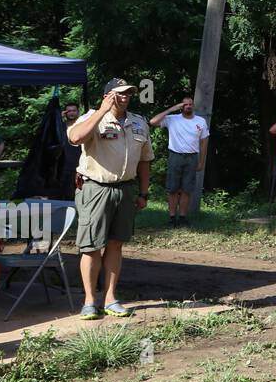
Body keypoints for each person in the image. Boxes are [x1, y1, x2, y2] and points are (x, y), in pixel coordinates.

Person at [65, 78, 154, 319]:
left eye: (129, 94)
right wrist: (102, 110)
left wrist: (143, 192)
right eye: (119, 94)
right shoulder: (92, 117)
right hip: (95, 188)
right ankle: (89, 301)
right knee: (92, 246)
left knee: (116, 244)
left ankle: (111, 298)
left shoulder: (138, 123)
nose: (125, 97)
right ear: (107, 95)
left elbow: (145, 159)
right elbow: (75, 138)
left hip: (125, 189)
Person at [150, 95, 210, 227]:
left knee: (187, 189)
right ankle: (172, 217)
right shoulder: (172, 119)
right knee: (172, 188)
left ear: (193, 106)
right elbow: (153, 122)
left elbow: (204, 143)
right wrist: (171, 109)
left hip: (192, 157)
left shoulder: (201, 121)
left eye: (190, 104)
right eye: (185, 104)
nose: (188, 106)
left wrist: (201, 161)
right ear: (181, 106)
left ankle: (182, 217)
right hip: (175, 156)